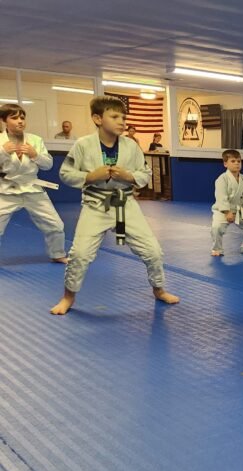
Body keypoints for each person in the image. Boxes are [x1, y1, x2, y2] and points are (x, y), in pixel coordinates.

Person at [50, 96, 180, 315]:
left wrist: (129, 176)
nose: (121, 121)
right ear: (97, 119)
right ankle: (68, 296)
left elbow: (145, 173)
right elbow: (65, 173)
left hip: (124, 204)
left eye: (123, 117)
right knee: (80, 254)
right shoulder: (83, 145)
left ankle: (159, 289)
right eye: (115, 116)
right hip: (95, 205)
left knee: (154, 251)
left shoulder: (132, 146)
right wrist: (90, 176)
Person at [0, 103, 67, 263]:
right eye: (14, 117)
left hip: (33, 189)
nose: (20, 121)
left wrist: (35, 154)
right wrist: (3, 152)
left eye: (22, 117)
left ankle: (57, 254)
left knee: (56, 225)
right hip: (6, 190)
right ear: (4, 120)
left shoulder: (35, 140)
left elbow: (48, 164)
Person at [211, 148, 243, 256]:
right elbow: (221, 197)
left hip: (239, 211)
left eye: (239, 161)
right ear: (225, 164)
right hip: (223, 211)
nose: (237, 163)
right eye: (233, 161)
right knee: (217, 227)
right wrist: (227, 212)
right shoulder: (222, 179)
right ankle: (217, 249)